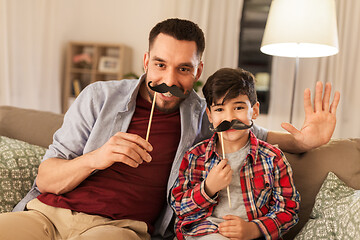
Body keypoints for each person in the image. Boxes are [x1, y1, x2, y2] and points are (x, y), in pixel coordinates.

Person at [0, 18, 339, 240]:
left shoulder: (201, 115)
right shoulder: (98, 97)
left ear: (198, 70)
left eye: (183, 70)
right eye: (160, 65)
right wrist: (98, 157)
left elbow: (246, 130)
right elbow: (46, 178)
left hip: (116, 229)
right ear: (147, 61)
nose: (169, 81)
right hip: (47, 215)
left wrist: (303, 140)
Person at [171, 67, 300, 240]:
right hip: (205, 234)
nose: (229, 118)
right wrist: (207, 188)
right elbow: (179, 207)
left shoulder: (273, 158)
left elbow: (289, 210)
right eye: (219, 110)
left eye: (238, 107)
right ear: (209, 115)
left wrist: (253, 229)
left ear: (254, 110)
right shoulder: (195, 157)